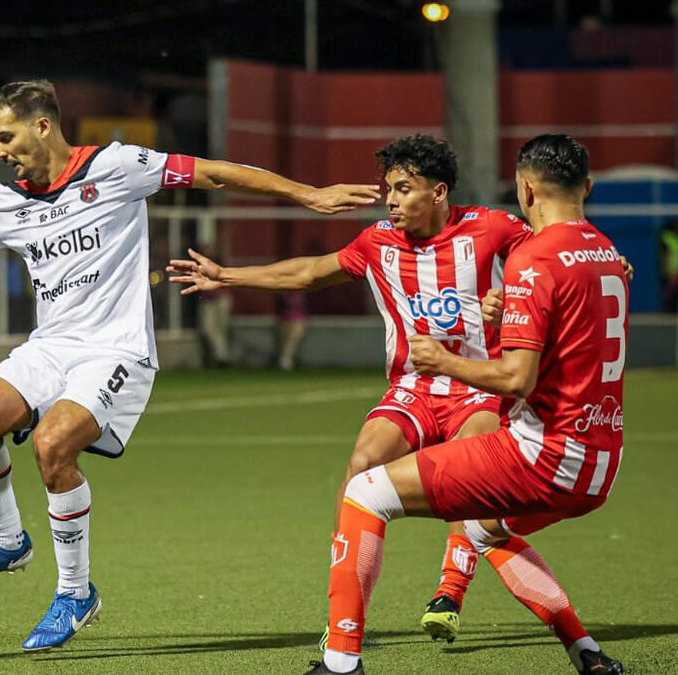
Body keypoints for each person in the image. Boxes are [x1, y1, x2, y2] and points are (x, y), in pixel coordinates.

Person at [0, 79, 380, 651]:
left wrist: (310, 194)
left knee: (53, 445)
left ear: (42, 126)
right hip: (52, 346)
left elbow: (213, 171)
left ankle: (75, 592)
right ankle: (8, 541)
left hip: (117, 350)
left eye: (5, 137)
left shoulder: (118, 166)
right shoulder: (7, 203)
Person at [169, 134, 536, 640]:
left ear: (439, 192)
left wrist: (587, 270)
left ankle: (450, 590)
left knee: (469, 464)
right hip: (413, 389)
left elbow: (551, 256)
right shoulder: (377, 242)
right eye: (389, 188)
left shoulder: (492, 228)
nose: (391, 200)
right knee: (361, 467)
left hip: (478, 385)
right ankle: (344, 616)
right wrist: (227, 276)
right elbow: (310, 273)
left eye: (404, 189)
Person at [303, 134, 626, 675]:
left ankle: (340, 662)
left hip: (543, 454)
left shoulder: (533, 258)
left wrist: (444, 361)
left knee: (363, 491)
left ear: (525, 189)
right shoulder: (606, 255)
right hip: (600, 466)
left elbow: (516, 379)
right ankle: (586, 653)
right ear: (587, 188)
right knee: (484, 528)